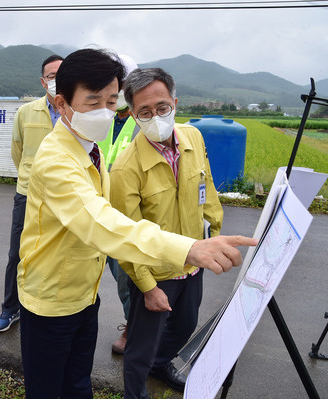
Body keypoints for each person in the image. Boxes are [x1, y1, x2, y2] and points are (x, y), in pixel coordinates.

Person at [16, 48, 256, 399]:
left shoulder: (90, 147)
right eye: (92, 101)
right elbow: (104, 223)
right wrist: (188, 248)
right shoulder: (56, 161)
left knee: (79, 384)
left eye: (111, 101)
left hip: (84, 294)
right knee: (49, 390)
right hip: (50, 301)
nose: (104, 111)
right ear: (62, 103)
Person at [110, 67, 223, 397]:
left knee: (184, 326)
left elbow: (208, 189)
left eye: (162, 108)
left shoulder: (193, 137)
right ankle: (136, 391)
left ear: (174, 102)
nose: (155, 116)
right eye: (144, 112)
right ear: (132, 114)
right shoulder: (126, 168)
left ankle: (161, 364)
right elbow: (125, 237)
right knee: (140, 346)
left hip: (193, 260)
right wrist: (146, 287)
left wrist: (213, 236)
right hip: (155, 271)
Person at [0, 54, 64, 332]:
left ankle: (49, 308)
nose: (56, 80)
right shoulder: (26, 112)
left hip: (65, 195)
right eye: (51, 75)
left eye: (62, 74)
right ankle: (10, 309)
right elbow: (17, 152)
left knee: (59, 254)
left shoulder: (78, 112)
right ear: (42, 80)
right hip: (28, 194)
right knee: (17, 253)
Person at [97, 53, 140, 355]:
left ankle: (134, 329)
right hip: (99, 211)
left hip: (130, 215)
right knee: (110, 273)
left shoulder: (143, 121)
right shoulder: (99, 119)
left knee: (130, 277)